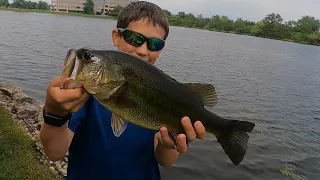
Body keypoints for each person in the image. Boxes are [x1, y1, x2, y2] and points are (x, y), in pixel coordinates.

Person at [40, 1, 206, 180]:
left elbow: (164, 161)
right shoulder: (82, 96)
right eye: (134, 38)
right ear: (116, 36)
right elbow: (54, 153)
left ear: (161, 49)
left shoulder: (163, 94)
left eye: (155, 44)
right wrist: (54, 113)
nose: (143, 50)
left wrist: (169, 144)